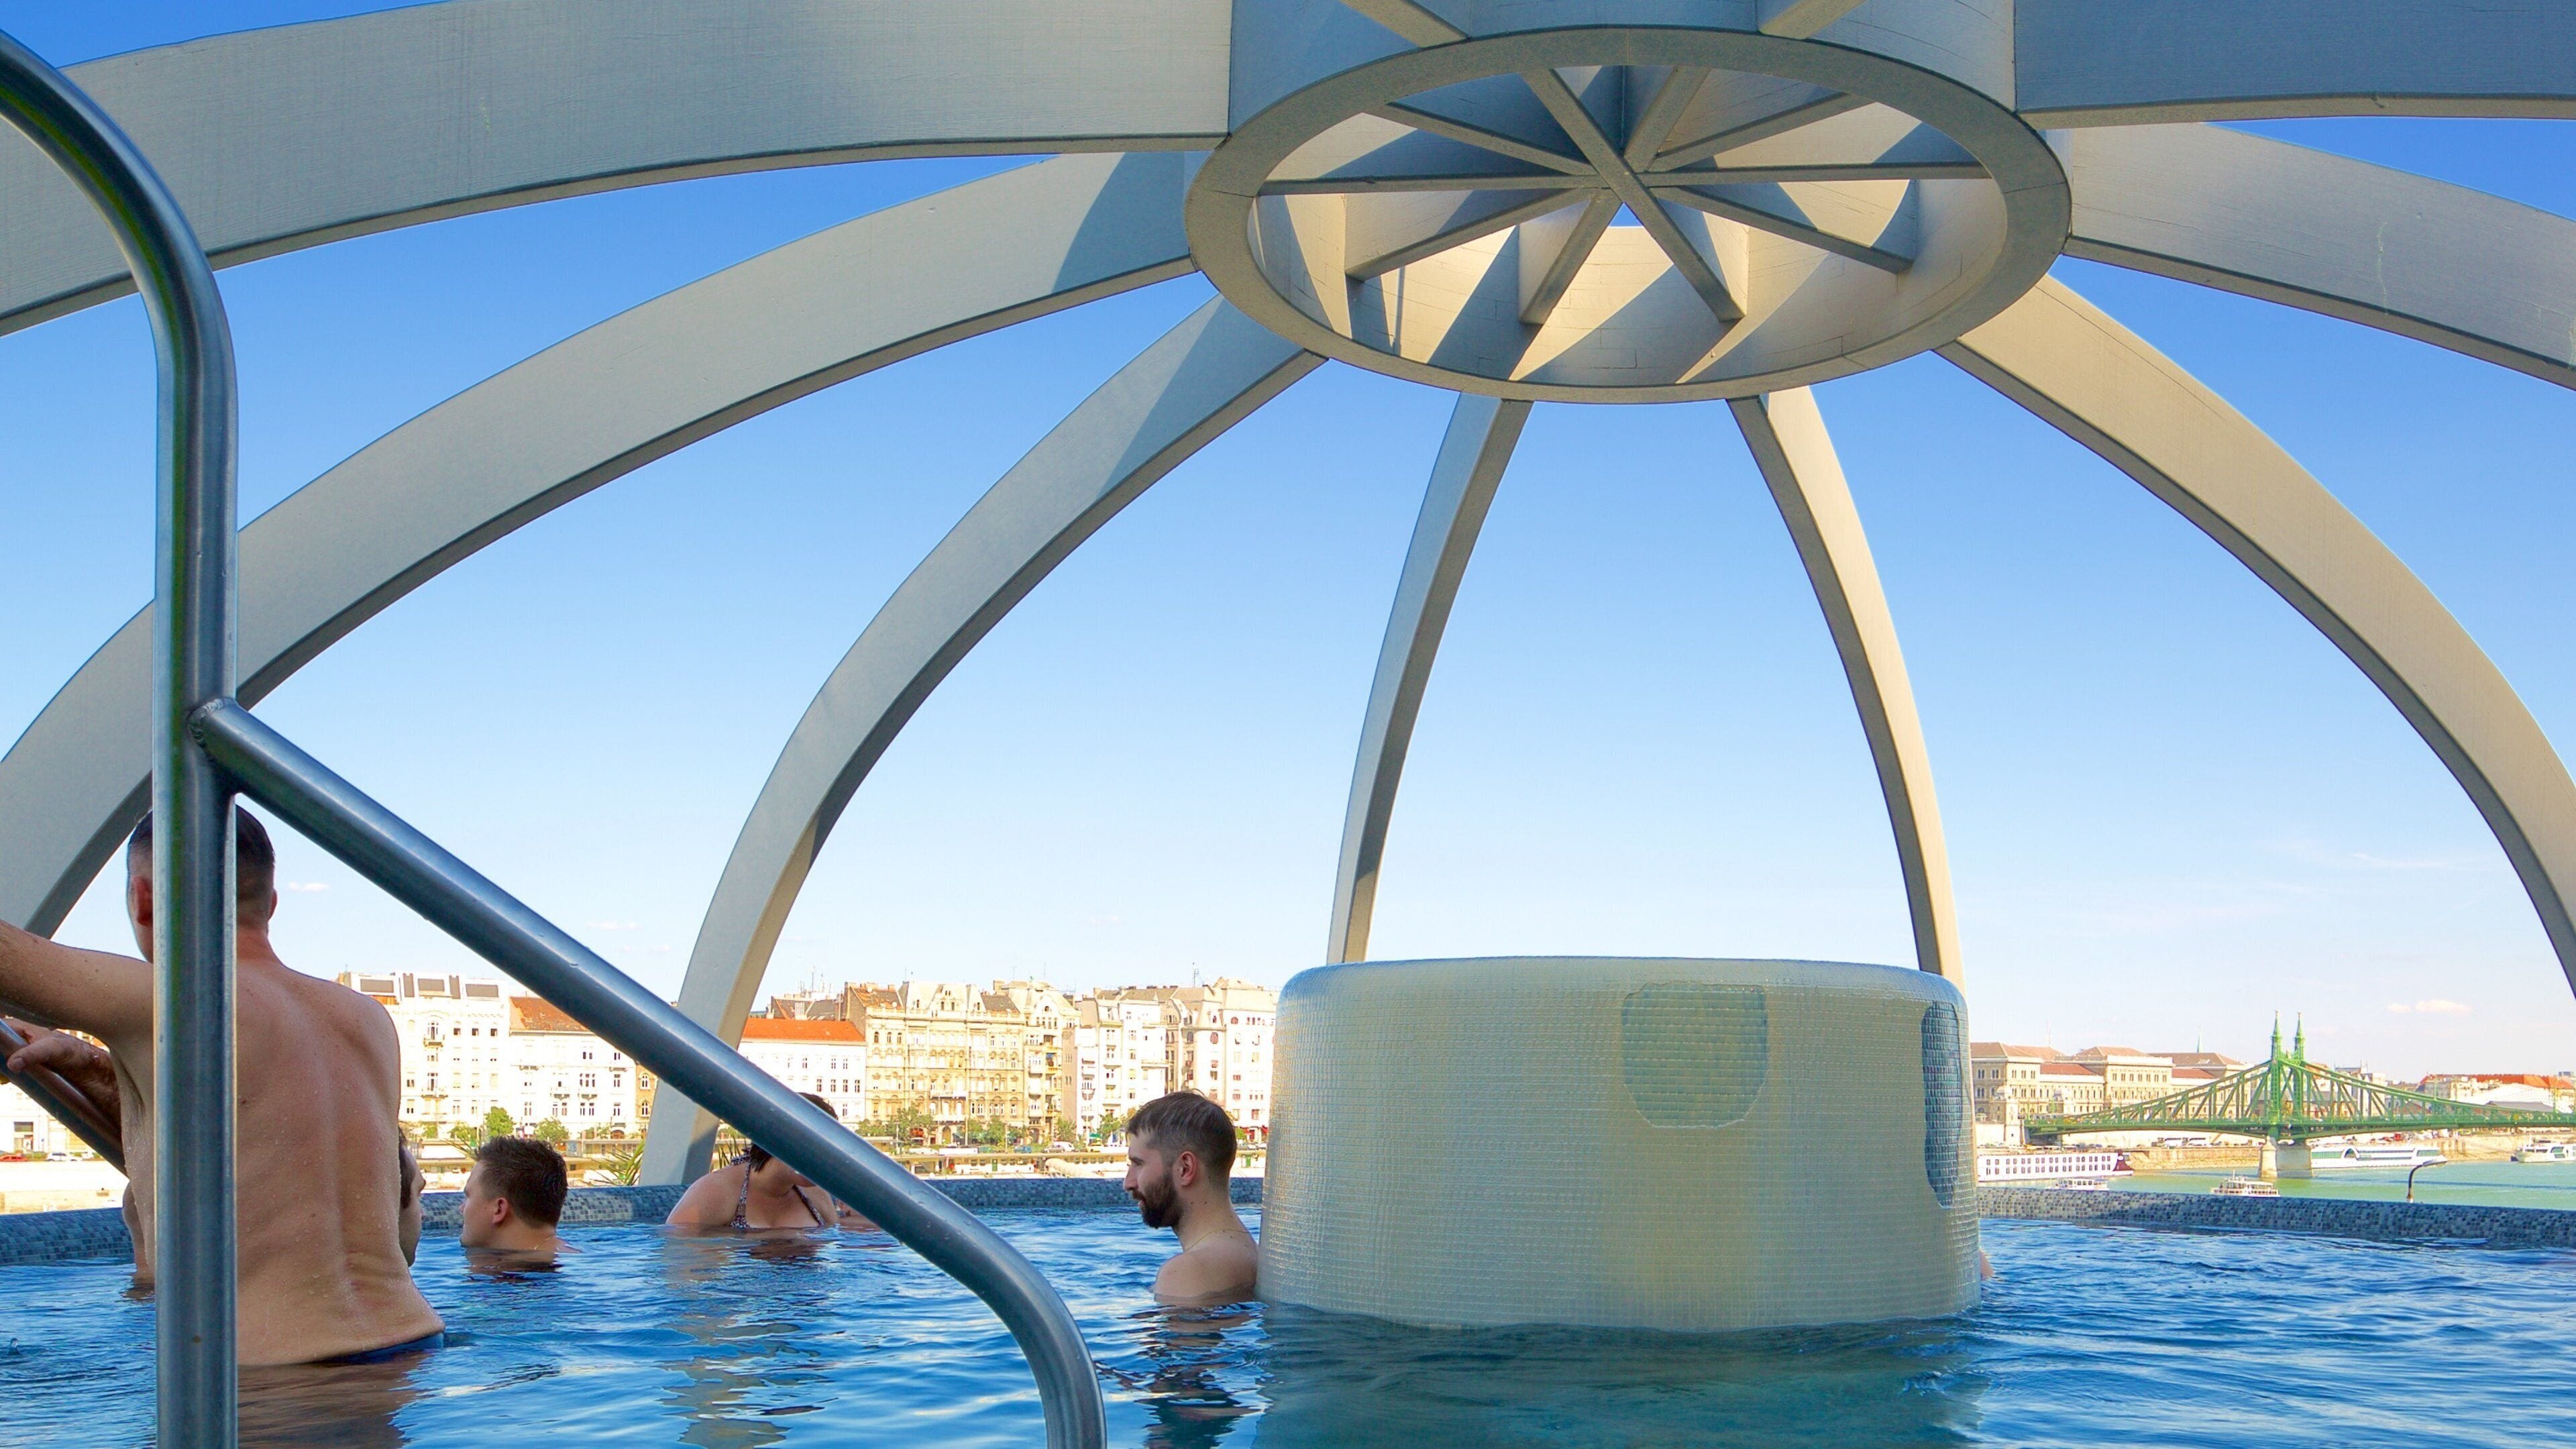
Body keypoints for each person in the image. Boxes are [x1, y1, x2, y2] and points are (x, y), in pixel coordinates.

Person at [0, 808, 443, 1364]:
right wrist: (93, 1066)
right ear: (271, 904)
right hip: (410, 1352)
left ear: (143, 899)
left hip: (271, 1385)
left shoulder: (173, 998)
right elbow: (261, 1155)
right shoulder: (367, 1021)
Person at [665, 1091, 879, 1232]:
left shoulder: (814, 1193)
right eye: (812, 1146)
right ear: (775, 1138)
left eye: (829, 1149)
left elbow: (837, 1236)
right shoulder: (716, 1191)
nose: (822, 1160)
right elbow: (679, 1270)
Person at [1122, 1091, 1257, 1304]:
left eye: (1138, 1164)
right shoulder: (1252, 1255)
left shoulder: (1187, 1273)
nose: (1128, 1182)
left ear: (1185, 1168)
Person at [460, 1135, 571, 1264]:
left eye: (468, 1196)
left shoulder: (511, 1276)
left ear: (499, 1209)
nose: (461, 1208)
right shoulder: (574, 1261)